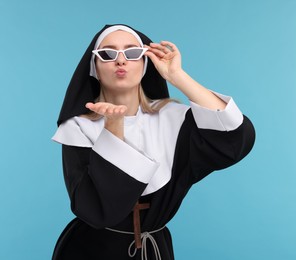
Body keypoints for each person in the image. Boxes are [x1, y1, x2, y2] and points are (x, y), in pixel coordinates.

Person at [52, 24, 255, 260]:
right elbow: (97, 211)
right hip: (90, 251)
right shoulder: (78, 128)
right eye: (107, 54)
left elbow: (234, 139)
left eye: (132, 53)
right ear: (94, 67)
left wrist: (177, 77)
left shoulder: (173, 118)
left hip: (154, 249)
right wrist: (112, 128)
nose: (121, 61)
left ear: (145, 62)